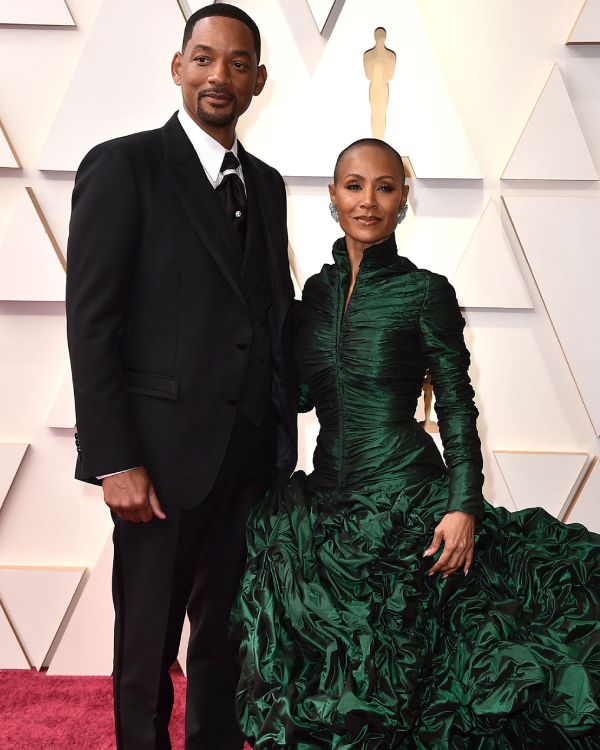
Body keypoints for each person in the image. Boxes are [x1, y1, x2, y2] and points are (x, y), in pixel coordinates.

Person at [232, 138, 600, 749]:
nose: (368, 201)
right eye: (354, 185)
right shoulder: (311, 301)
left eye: (385, 186)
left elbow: (457, 407)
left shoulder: (426, 291)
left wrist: (464, 508)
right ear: (332, 195)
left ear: (403, 199)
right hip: (324, 507)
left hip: (409, 500)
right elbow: (295, 395)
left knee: (438, 678)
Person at [66, 5, 297, 749]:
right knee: (147, 648)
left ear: (258, 80)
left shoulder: (266, 184)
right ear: (178, 67)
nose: (218, 77)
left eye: (236, 64)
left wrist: (285, 435)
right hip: (156, 465)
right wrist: (113, 458)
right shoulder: (123, 165)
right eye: (203, 59)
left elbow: (270, 314)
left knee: (224, 645)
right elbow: (91, 323)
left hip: (248, 459)